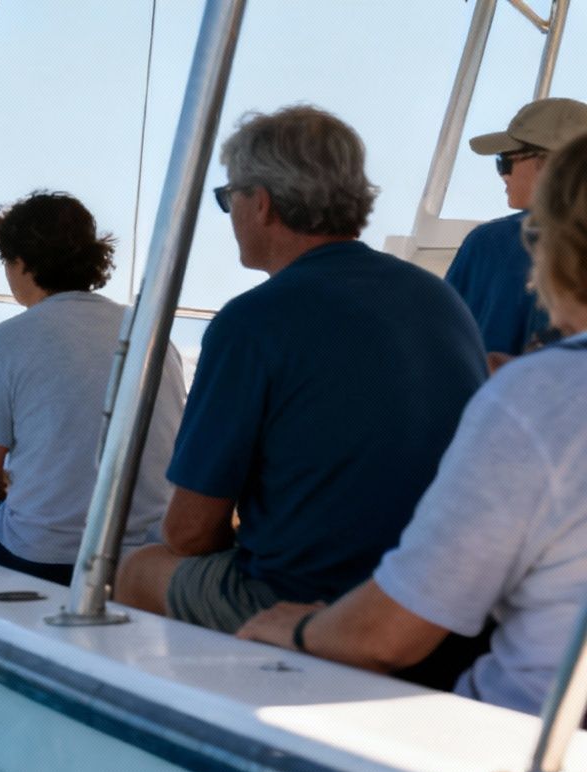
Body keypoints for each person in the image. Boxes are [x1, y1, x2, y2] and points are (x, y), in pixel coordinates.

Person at [238, 132, 587, 716]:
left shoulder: (540, 396)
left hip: (518, 748)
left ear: (553, 246)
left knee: (151, 574)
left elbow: (388, 638)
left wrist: (299, 629)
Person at [114, 105, 486, 633]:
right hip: (427, 599)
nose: (231, 215)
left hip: (309, 599)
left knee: (139, 568)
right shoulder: (440, 301)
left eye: (228, 199)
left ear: (261, 203)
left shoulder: (252, 321)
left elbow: (190, 532)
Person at [0, 191, 186, 585]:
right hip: (146, 556)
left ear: (20, 262)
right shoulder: (151, 334)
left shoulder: (5, 342)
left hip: (45, 556)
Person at [446, 96, 587, 369]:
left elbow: (441, 342)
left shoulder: (490, 243)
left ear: (548, 164)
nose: (503, 174)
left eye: (505, 161)